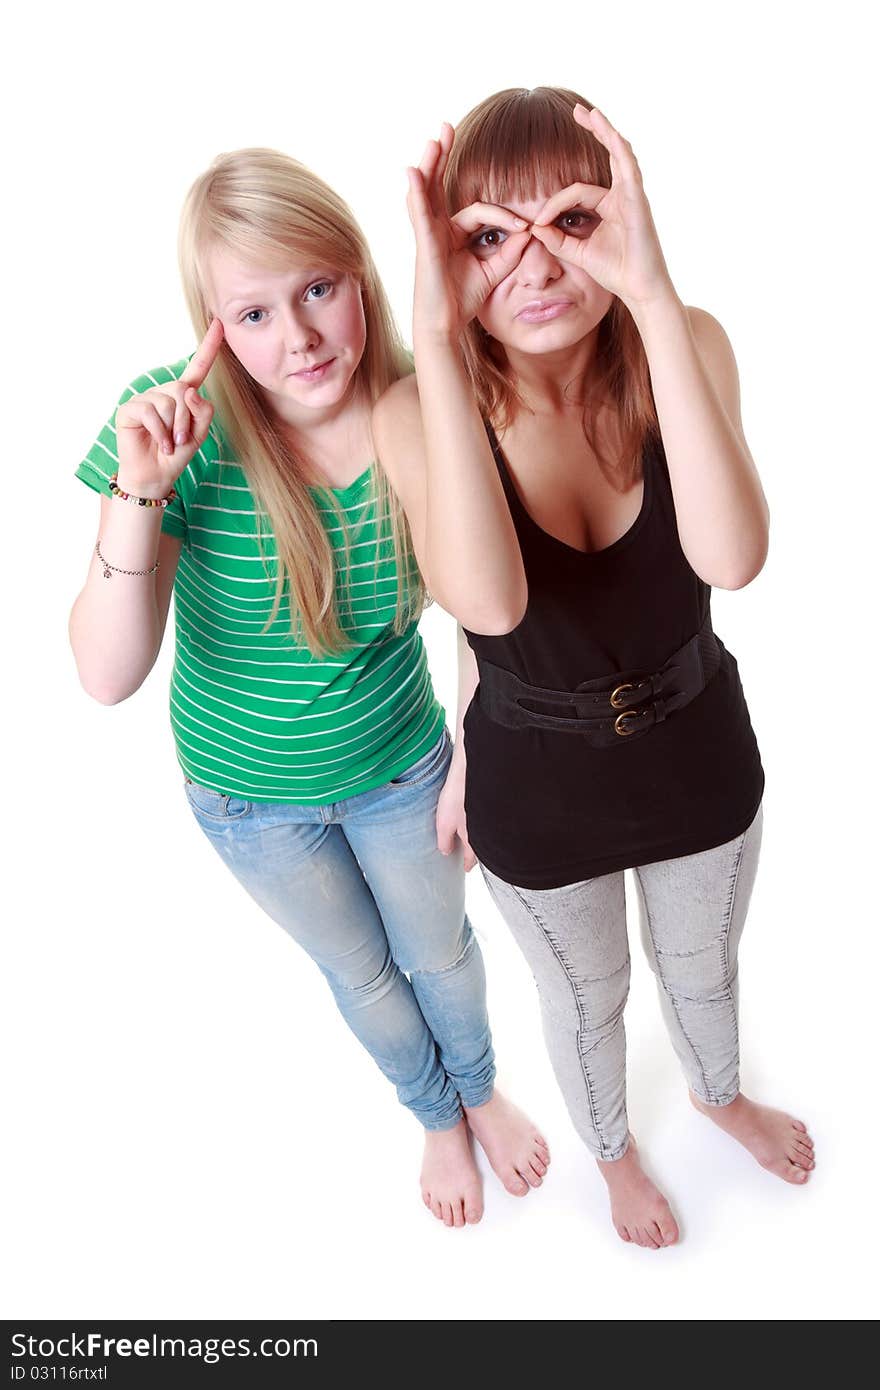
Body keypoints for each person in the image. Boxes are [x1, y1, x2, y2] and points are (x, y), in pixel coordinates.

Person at [69, 147, 549, 1230]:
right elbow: (106, 675)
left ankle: (480, 1089)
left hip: (403, 769)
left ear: (360, 277)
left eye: (318, 289)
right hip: (250, 799)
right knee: (367, 976)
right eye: (251, 313)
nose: (296, 339)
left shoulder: (432, 415)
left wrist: (475, 751)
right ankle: (434, 1113)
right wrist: (136, 495)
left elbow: (484, 603)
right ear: (211, 326)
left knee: (442, 953)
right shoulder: (172, 434)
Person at [372, 87, 815, 1249]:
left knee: (703, 974)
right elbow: (486, 605)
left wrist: (652, 291)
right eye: (485, 237)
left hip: (696, 759)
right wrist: (430, 330)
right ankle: (612, 1153)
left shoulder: (689, 338)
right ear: (446, 257)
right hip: (539, 786)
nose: (531, 263)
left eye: (568, 221)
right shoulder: (419, 405)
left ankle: (716, 1095)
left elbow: (733, 555)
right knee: (587, 1004)